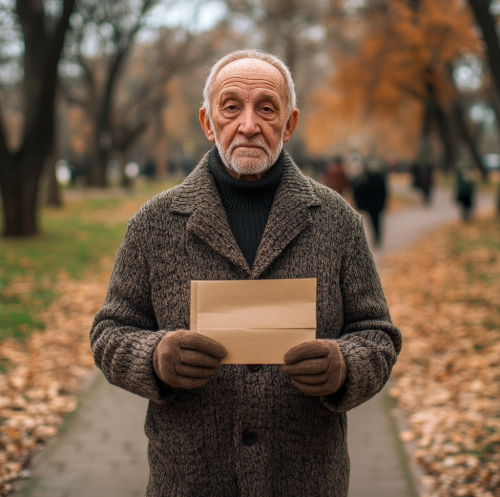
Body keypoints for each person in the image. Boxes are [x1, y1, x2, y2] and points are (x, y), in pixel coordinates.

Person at [90, 49, 402, 497]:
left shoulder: (338, 221)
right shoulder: (154, 222)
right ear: (208, 121)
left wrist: (344, 367)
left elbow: (377, 335)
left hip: (308, 480)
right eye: (231, 106)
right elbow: (110, 332)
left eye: (267, 108)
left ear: (289, 124)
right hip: (190, 479)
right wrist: (156, 357)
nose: (249, 124)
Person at [359, 157, 388, 247]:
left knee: (377, 221)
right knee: (372, 222)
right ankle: (376, 237)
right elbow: (361, 191)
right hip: (370, 205)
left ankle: (378, 237)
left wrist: (383, 203)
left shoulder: (379, 178)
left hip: (377, 204)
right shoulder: (365, 178)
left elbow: (384, 192)